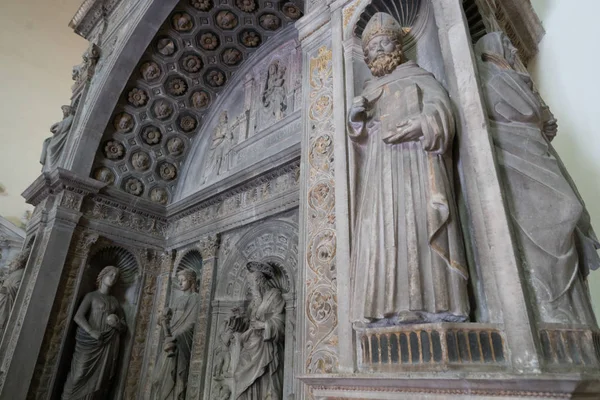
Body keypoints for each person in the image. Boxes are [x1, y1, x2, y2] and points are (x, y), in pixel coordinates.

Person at [348, 12, 469, 327]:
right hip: (378, 169)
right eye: (371, 48)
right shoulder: (368, 90)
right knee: (382, 233)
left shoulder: (419, 77)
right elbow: (357, 145)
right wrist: (355, 119)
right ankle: (387, 308)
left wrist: (421, 124)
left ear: (397, 45)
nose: (377, 51)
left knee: (415, 224)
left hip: (415, 164)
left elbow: (442, 111)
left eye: (383, 43)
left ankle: (431, 304)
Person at [475, 32, 599, 326]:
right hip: (515, 157)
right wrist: (537, 113)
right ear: (490, 49)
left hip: (535, 152)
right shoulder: (488, 77)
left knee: (569, 212)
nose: (511, 47)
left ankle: (567, 310)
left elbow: (540, 117)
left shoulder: (512, 76)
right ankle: (547, 302)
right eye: (505, 43)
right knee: (560, 212)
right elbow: (528, 112)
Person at [62, 266, 126, 400]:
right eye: (111, 274)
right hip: (89, 342)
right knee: (78, 374)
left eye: (116, 276)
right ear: (102, 276)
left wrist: (117, 324)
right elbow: (78, 316)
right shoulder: (91, 296)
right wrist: (91, 332)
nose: (113, 278)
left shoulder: (114, 301)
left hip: (108, 343)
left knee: (101, 380)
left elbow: (123, 326)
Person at [232, 262, 285, 400]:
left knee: (264, 380)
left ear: (260, 281)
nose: (250, 288)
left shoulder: (275, 296)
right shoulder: (255, 302)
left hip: (266, 346)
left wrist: (264, 325)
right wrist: (238, 319)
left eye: (251, 283)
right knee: (240, 376)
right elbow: (249, 322)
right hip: (250, 345)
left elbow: (280, 322)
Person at [151, 268, 200, 399]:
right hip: (170, 340)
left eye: (183, 280)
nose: (180, 284)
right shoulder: (178, 300)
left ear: (191, 281)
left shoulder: (195, 298)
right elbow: (166, 318)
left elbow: (192, 322)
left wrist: (176, 335)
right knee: (158, 378)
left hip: (180, 342)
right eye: (179, 281)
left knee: (176, 376)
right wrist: (163, 317)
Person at [0, 247, 31, 337]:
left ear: (19, 262)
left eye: (13, 261)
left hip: (6, 305)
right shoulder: (15, 273)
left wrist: (4, 289)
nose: (10, 264)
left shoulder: (20, 274)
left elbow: (18, 290)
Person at [202, 111, 233, 184]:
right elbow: (213, 137)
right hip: (215, 145)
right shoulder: (216, 128)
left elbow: (229, 134)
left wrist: (227, 135)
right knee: (212, 161)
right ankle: (207, 176)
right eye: (223, 117)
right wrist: (220, 136)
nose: (225, 118)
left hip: (222, 144)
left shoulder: (227, 126)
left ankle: (219, 171)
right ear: (220, 119)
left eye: (225, 117)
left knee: (220, 157)